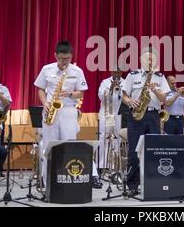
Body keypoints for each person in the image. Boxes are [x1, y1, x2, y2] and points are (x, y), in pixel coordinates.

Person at [34, 40, 102, 189]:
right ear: (55, 56)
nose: (64, 62)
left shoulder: (77, 71)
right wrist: (45, 102)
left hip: (68, 111)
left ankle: (67, 182)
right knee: (48, 147)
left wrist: (70, 94)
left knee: (69, 145)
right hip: (50, 110)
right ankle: (47, 184)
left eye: (68, 59)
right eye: (61, 58)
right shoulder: (47, 69)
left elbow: (81, 93)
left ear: (71, 56)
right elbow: (40, 88)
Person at [122, 47, 170, 195]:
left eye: (152, 59)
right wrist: (130, 101)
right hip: (136, 115)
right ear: (141, 59)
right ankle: (132, 185)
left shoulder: (160, 77)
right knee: (133, 152)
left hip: (153, 116)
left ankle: (153, 184)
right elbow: (124, 96)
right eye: (147, 58)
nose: (149, 61)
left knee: (153, 150)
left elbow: (164, 100)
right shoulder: (132, 75)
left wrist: (154, 89)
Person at [97, 69, 124, 176]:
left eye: (119, 73)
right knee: (104, 137)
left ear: (121, 73)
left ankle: (114, 165)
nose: (117, 75)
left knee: (117, 138)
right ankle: (102, 165)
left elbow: (126, 98)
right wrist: (111, 88)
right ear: (111, 72)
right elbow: (101, 97)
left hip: (118, 114)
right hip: (107, 113)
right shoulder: (105, 82)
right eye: (115, 73)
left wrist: (120, 90)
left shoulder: (125, 82)